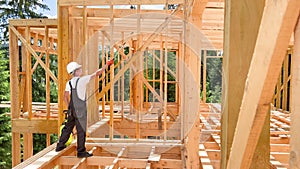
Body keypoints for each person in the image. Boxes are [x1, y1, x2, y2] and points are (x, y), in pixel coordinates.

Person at [55, 59, 114, 158]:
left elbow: (65, 96)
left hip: (72, 110)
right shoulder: (82, 80)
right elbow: (97, 73)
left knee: (68, 128)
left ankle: (60, 146)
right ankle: (81, 152)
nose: (81, 70)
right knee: (81, 130)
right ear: (76, 71)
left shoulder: (69, 83)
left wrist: (69, 107)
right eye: (79, 69)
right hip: (81, 110)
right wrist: (107, 65)